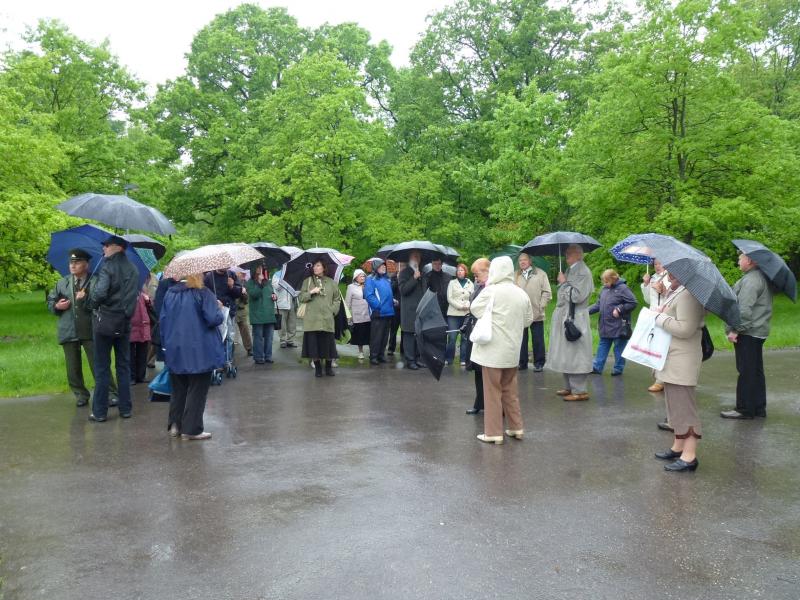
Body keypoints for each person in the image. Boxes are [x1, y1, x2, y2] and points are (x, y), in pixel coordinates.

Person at [469, 256, 534, 444]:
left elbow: (475, 309)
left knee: (492, 392)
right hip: (512, 351)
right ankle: (516, 428)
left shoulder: (491, 291)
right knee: (510, 391)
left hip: (492, 351)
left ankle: (493, 432)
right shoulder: (520, 293)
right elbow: (528, 320)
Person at [46, 248, 117, 407]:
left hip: (91, 329)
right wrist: (57, 306)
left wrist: (86, 298)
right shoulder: (62, 283)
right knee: (73, 368)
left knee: (99, 365)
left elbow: (103, 302)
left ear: (86, 264)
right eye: (71, 262)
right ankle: (80, 394)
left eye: (77, 262)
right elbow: (50, 301)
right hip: (68, 330)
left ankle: (110, 393)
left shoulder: (96, 281)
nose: (73, 265)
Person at [160, 273, 225, 440]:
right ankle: (191, 429)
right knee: (197, 390)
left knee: (178, 388)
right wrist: (218, 308)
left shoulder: (170, 293)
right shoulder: (203, 293)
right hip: (199, 349)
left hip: (175, 347)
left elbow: (163, 320)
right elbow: (213, 318)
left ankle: (175, 424)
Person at [651, 272, 706, 472]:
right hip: (673, 356)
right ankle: (678, 446)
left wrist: (659, 318)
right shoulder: (678, 291)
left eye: (672, 271)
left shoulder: (689, 294)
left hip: (682, 358)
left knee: (684, 407)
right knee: (674, 405)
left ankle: (689, 456)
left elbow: (685, 328)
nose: (668, 274)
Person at [87, 235, 140, 422]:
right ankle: (125, 409)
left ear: (118, 247)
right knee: (123, 366)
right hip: (124, 322)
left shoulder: (107, 267)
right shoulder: (134, 269)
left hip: (106, 322)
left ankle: (100, 412)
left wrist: (89, 302)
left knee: (102, 367)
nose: (104, 248)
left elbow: (100, 293)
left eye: (106, 245)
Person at [721, 251, 775, 419]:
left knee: (746, 371)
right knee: (755, 371)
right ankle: (758, 408)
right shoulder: (757, 277)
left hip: (748, 332)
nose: (738, 261)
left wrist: (735, 330)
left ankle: (745, 409)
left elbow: (744, 310)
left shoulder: (751, 280)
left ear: (749, 261)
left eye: (740, 258)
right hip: (756, 331)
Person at [547, 244, 595, 401]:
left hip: (576, 318)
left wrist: (563, 283)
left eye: (570, 252)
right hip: (567, 316)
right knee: (567, 353)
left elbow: (577, 296)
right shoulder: (571, 269)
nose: (566, 255)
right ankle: (569, 386)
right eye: (566, 252)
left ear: (579, 255)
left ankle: (579, 390)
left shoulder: (583, 272)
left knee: (576, 353)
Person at [589, 269, 637, 376]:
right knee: (603, 345)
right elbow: (598, 305)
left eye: (606, 281)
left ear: (613, 279)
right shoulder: (604, 289)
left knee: (619, 347)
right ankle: (597, 367)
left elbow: (633, 302)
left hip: (619, 325)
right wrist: (585, 311)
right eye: (603, 281)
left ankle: (618, 368)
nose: (604, 284)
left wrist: (619, 309)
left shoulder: (623, 288)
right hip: (605, 325)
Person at [299, 260, 341, 377]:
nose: (315, 268)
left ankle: (328, 368)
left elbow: (337, 299)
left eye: (318, 265)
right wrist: (311, 292)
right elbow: (301, 298)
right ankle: (318, 368)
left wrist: (332, 310)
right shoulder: (307, 281)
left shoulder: (331, 282)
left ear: (323, 267)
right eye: (314, 266)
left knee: (328, 346)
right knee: (314, 347)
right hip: (312, 320)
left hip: (327, 319)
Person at [514, 252, 552, 371]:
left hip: (537, 312)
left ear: (530, 261)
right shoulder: (515, 275)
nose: (522, 262)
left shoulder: (540, 274)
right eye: (520, 260)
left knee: (538, 339)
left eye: (525, 260)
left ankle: (539, 363)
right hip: (520, 312)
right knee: (521, 339)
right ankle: (522, 362)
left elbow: (547, 292)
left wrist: (542, 305)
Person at [465, 258, 490, 415]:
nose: (475, 278)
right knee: (478, 369)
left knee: (489, 372)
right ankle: (479, 403)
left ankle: (495, 405)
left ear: (487, 271)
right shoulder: (479, 286)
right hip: (476, 330)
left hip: (487, 332)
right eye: (474, 275)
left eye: (477, 274)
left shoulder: (492, 288)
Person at [642, 259, 668, 393]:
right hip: (652, 315)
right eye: (655, 264)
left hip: (665, 315)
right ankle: (658, 377)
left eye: (660, 263)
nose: (657, 266)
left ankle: (660, 380)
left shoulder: (670, 277)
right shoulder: (652, 278)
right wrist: (646, 284)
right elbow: (648, 300)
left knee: (662, 346)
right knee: (653, 345)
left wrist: (662, 290)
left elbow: (672, 297)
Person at [398, 251, 426, 370]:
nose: (417, 258)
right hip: (409, 311)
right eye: (415, 256)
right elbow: (403, 290)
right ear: (409, 258)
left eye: (418, 256)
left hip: (420, 310)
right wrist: (414, 278)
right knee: (409, 335)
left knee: (418, 335)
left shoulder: (422, 272)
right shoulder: (404, 273)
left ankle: (418, 358)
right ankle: (410, 360)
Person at [363, 259, 395, 365]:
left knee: (385, 336)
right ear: (376, 267)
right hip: (378, 312)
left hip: (388, 312)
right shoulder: (370, 279)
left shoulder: (386, 279)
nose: (384, 267)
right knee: (376, 336)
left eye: (384, 266)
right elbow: (369, 295)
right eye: (382, 266)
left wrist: (392, 300)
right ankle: (374, 356)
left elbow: (386, 294)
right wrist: (378, 306)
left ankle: (381, 355)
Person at [245, 264, 277, 364]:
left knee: (269, 337)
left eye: (261, 268)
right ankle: (258, 357)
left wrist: (274, 296)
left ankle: (268, 356)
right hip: (257, 314)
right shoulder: (250, 283)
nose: (260, 269)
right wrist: (259, 283)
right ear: (253, 270)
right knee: (258, 337)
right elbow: (254, 294)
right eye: (258, 268)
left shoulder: (267, 282)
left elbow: (271, 292)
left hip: (269, 313)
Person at [445, 263, 474, 365]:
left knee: (465, 338)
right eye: (458, 270)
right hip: (453, 314)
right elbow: (449, 298)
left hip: (466, 314)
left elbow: (472, 297)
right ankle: (449, 359)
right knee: (452, 337)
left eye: (462, 270)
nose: (459, 272)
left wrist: (468, 304)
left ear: (465, 272)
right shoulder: (452, 283)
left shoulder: (470, 283)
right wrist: (460, 306)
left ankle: (463, 359)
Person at [345, 269, 371, 360]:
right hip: (358, 315)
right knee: (360, 334)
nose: (363, 278)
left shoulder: (368, 285)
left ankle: (371, 351)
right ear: (356, 277)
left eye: (364, 276)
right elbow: (347, 302)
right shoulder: (351, 287)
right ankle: (361, 352)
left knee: (370, 334)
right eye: (361, 276)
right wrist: (348, 315)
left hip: (368, 314)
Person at [129, 286, 153, 384]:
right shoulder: (126, 290)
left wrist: (148, 300)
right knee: (130, 354)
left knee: (142, 353)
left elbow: (150, 307)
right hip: (131, 325)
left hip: (143, 325)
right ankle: (131, 377)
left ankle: (141, 376)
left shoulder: (142, 291)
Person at [273, 268, 298, 348]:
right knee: (282, 324)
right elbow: (276, 287)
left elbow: (297, 288)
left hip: (292, 302)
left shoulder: (293, 273)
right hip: (281, 303)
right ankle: (283, 340)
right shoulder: (277, 274)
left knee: (292, 323)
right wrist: (284, 279)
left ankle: (290, 340)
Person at [234, 271, 253, 357]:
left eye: (244, 274)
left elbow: (246, 301)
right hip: (231, 309)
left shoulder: (245, 284)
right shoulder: (230, 281)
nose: (243, 275)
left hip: (241, 310)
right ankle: (229, 350)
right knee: (229, 331)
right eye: (242, 273)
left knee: (245, 329)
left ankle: (249, 348)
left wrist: (244, 293)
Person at [387, 262, 403, 356]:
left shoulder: (407, 277)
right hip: (396, 308)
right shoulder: (393, 278)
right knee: (393, 329)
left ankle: (403, 349)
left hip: (404, 308)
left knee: (404, 330)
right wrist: (397, 279)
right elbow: (391, 290)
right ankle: (391, 348)